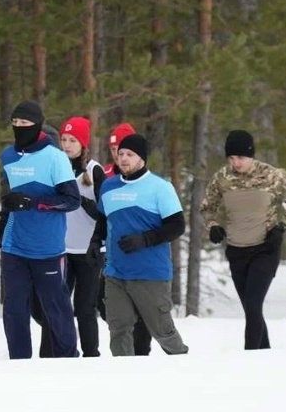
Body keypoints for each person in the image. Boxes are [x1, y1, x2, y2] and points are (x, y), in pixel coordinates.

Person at [200, 129, 286, 350]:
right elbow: (207, 208)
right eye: (231, 157)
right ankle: (264, 356)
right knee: (251, 308)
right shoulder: (222, 178)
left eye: (240, 157)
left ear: (251, 155)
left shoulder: (272, 176)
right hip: (237, 251)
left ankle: (249, 358)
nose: (235, 162)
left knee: (254, 306)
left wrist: (282, 225)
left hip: (264, 249)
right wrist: (214, 226)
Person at [0, 100, 81, 359]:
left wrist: (36, 203)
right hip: (14, 244)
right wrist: (3, 219)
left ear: (38, 125)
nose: (19, 128)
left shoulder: (56, 158)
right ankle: (19, 361)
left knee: (56, 307)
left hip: (47, 247)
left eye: (25, 124)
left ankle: (67, 358)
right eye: (15, 123)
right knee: (14, 308)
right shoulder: (8, 156)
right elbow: (9, 194)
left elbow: (72, 200)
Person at [90, 133, 188, 356]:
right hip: (116, 273)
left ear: (142, 158)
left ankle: (183, 366)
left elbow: (177, 226)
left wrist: (145, 239)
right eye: (121, 153)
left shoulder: (160, 187)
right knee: (119, 327)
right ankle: (124, 378)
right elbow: (104, 221)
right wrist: (96, 242)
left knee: (162, 331)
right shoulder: (109, 186)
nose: (123, 158)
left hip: (150, 273)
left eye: (130, 155)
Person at [100, 122, 153, 356]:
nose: (118, 156)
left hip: (140, 255)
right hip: (108, 252)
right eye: (114, 151)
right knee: (104, 304)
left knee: (142, 305)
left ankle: (140, 349)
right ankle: (124, 344)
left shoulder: (145, 180)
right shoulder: (105, 176)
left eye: (123, 151)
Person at [57, 116, 106, 357]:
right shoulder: (57, 167)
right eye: (64, 139)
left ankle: (91, 355)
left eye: (72, 140)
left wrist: (85, 204)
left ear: (83, 143)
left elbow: (105, 212)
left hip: (88, 251)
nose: (67, 145)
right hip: (61, 249)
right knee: (59, 306)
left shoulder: (94, 170)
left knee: (85, 308)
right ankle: (64, 353)